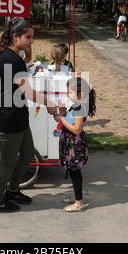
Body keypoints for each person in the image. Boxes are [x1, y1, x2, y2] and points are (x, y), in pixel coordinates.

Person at [0, 17, 56, 212]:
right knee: (7, 162)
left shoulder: (11, 57)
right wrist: (50, 103)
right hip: (9, 119)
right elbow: (27, 92)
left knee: (27, 155)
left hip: (17, 117)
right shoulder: (11, 59)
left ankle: (13, 191)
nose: (31, 41)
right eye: (28, 37)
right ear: (16, 37)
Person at [54, 77, 96, 212]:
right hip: (70, 140)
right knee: (73, 172)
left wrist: (61, 119)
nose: (67, 94)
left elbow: (76, 129)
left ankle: (79, 203)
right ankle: (77, 196)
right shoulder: (76, 105)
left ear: (80, 94)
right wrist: (61, 113)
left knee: (75, 172)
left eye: (70, 92)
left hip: (74, 143)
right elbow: (69, 118)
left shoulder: (80, 107)